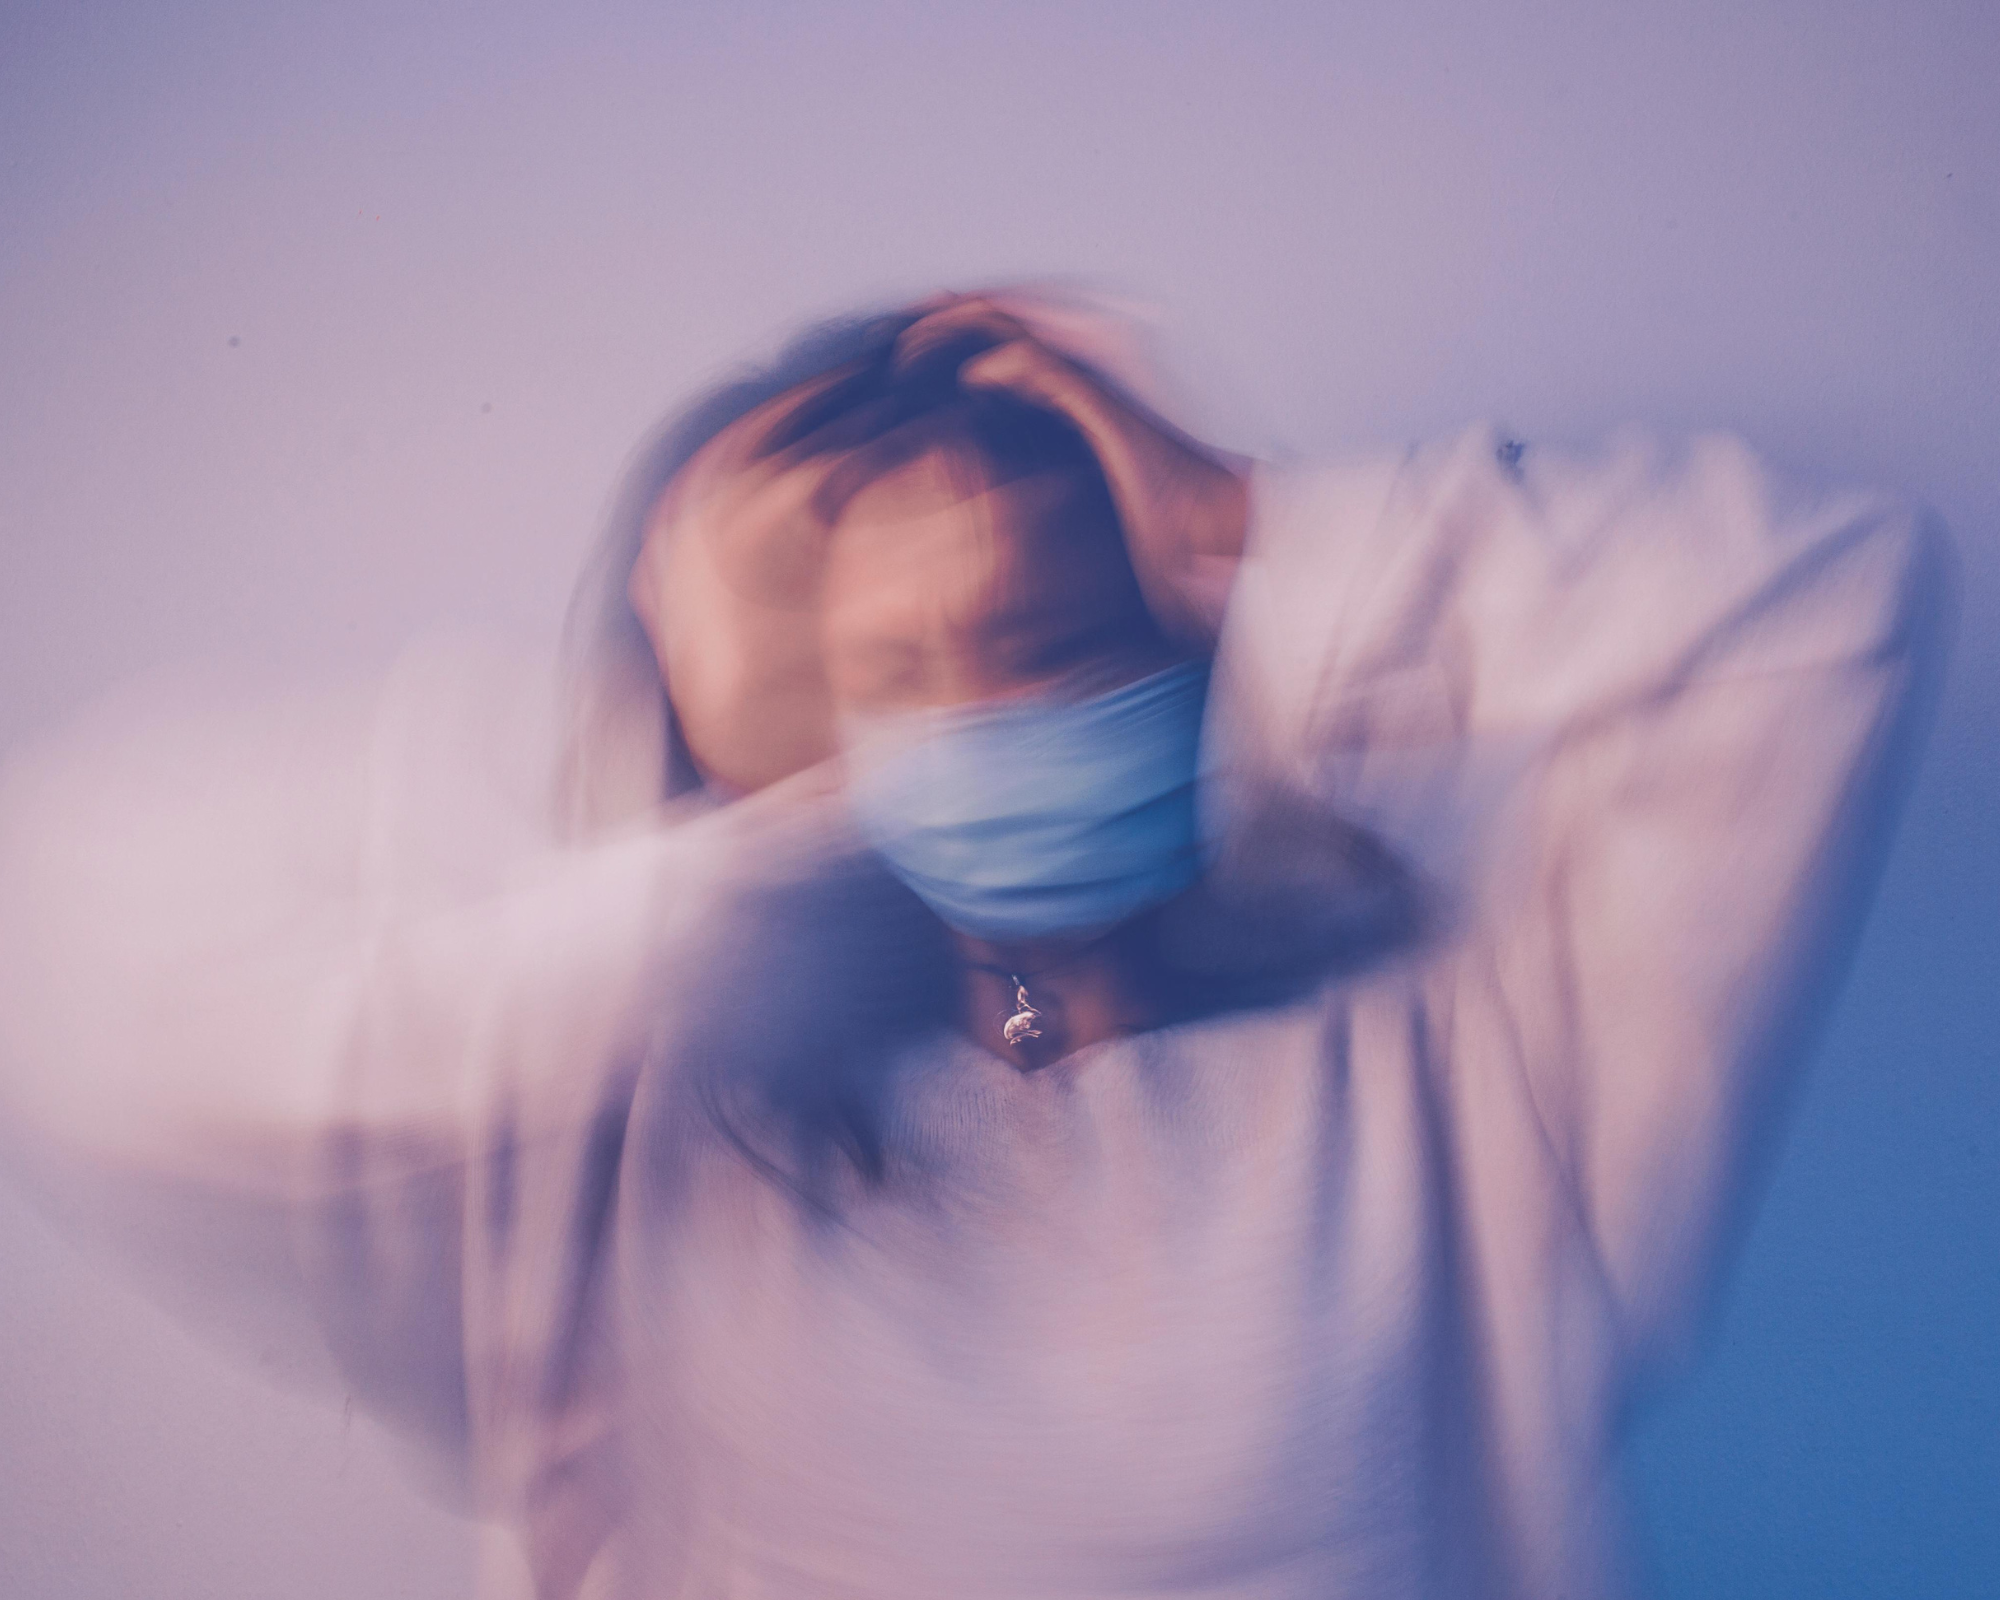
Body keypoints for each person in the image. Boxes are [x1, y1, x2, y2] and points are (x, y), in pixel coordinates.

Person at [0, 292, 1950, 1599]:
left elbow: (1821, 603)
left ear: (1195, 640)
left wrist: (1240, 514)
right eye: (890, 670)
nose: (992, 711)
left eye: (1057, 634)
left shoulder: (1459, 1039)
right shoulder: (624, 1112)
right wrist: (710, 789)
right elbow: (76, 978)